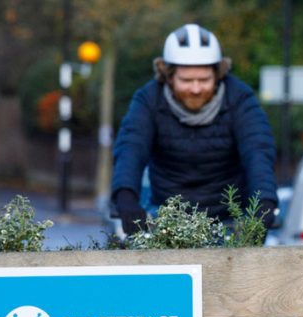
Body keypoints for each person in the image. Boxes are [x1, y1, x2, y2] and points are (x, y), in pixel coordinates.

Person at [111, 24, 278, 234]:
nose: (196, 89)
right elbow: (131, 147)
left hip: (228, 220)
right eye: (187, 80)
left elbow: (258, 150)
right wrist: (126, 197)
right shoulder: (148, 100)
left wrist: (265, 202)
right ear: (169, 76)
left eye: (204, 80)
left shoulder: (240, 99)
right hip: (166, 219)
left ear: (218, 75)